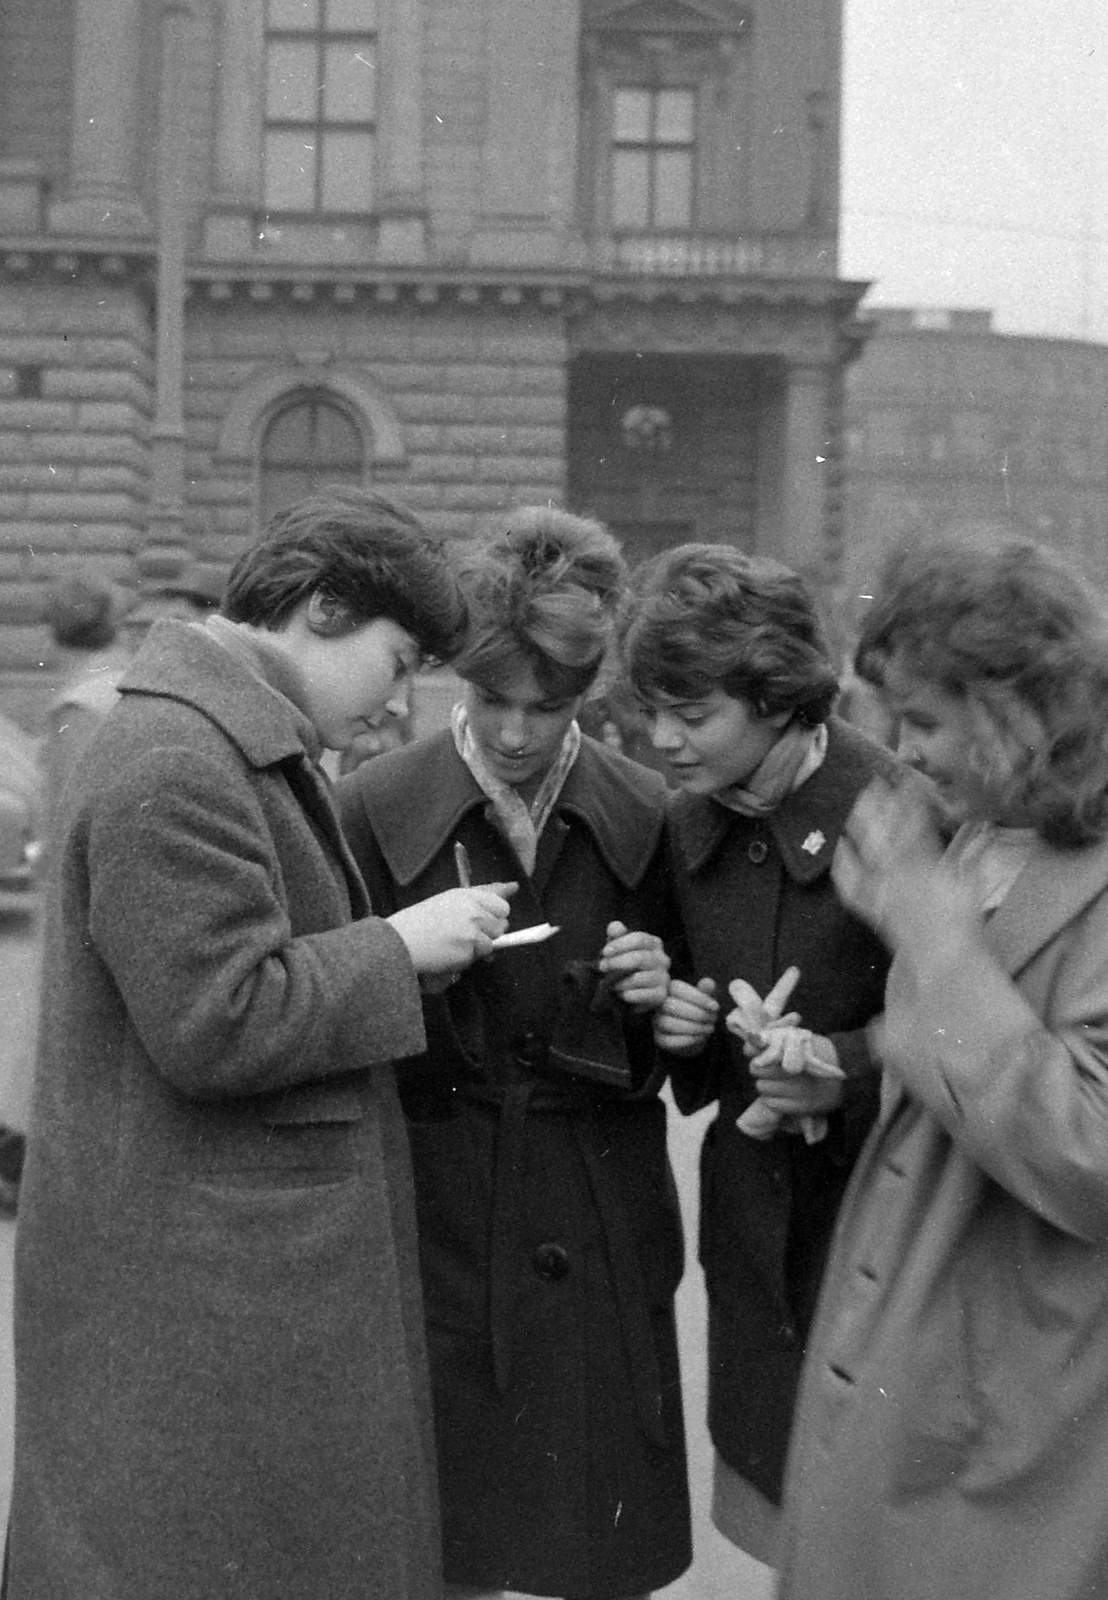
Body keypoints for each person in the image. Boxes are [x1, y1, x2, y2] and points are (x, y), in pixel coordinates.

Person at [3, 488, 516, 1600]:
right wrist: (395, 947)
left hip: (228, 1273)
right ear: (323, 610)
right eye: (398, 658)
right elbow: (215, 1021)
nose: (398, 702)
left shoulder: (217, 737)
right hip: (211, 1293)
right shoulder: (176, 760)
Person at [778, 533, 1108, 1600]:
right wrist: (851, 1067)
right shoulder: (989, 832)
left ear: (1020, 711)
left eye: (922, 722)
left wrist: (933, 939)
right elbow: (984, 1044)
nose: (900, 751)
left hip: (1036, 1393)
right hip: (947, 1358)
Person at [336, 506, 692, 1600]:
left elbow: (686, 1049)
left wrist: (654, 996)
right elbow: (331, 1029)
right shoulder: (370, 809)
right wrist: (404, 980)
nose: (519, 732)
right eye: (492, 697)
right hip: (441, 1223)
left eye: (553, 704)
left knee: (597, 1547)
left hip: (600, 1223)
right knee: (449, 1544)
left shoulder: (649, 811)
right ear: (454, 676)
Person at [615, 543, 895, 1565]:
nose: (662, 740)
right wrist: (669, 1015)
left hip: (875, 1235)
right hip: (752, 1249)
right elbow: (681, 1021)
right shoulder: (686, 825)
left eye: (692, 716)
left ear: (778, 699)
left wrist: (842, 1066)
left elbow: (979, 1038)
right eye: (653, 710)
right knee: (779, 1536)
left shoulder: (901, 814)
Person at [0, 563, 224, 1216]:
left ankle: (22, 1165)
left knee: (60, 1025)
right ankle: (15, 1154)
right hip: (115, 885)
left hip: (80, 892)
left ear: (54, 635)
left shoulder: (80, 704)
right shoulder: (120, 686)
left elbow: (69, 815)